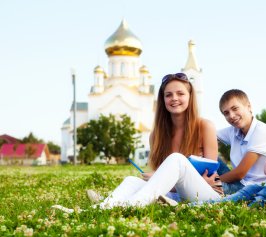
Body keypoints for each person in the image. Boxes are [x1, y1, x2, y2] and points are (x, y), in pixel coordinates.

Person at [52, 72, 221, 213]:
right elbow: (160, 176)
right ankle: (95, 210)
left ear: (190, 97)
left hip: (207, 195)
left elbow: (211, 178)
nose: (174, 98)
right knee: (131, 181)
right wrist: (157, 179)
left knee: (176, 159)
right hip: (178, 194)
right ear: (162, 100)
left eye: (180, 93)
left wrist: (160, 179)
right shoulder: (157, 134)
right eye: (168, 95)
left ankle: (130, 207)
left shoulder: (204, 126)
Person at [203, 89, 266, 201]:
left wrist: (212, 181)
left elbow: (240, 173)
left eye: (235, 109)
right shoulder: (233, 130)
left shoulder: (263, 131)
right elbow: (206, 135)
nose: (232, 116)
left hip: (255, 188)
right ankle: (199, 181)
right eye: (226, 113)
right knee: (202, 148)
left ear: (248, 107)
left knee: (200, 188)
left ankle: (196, 184)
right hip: (239, 182)